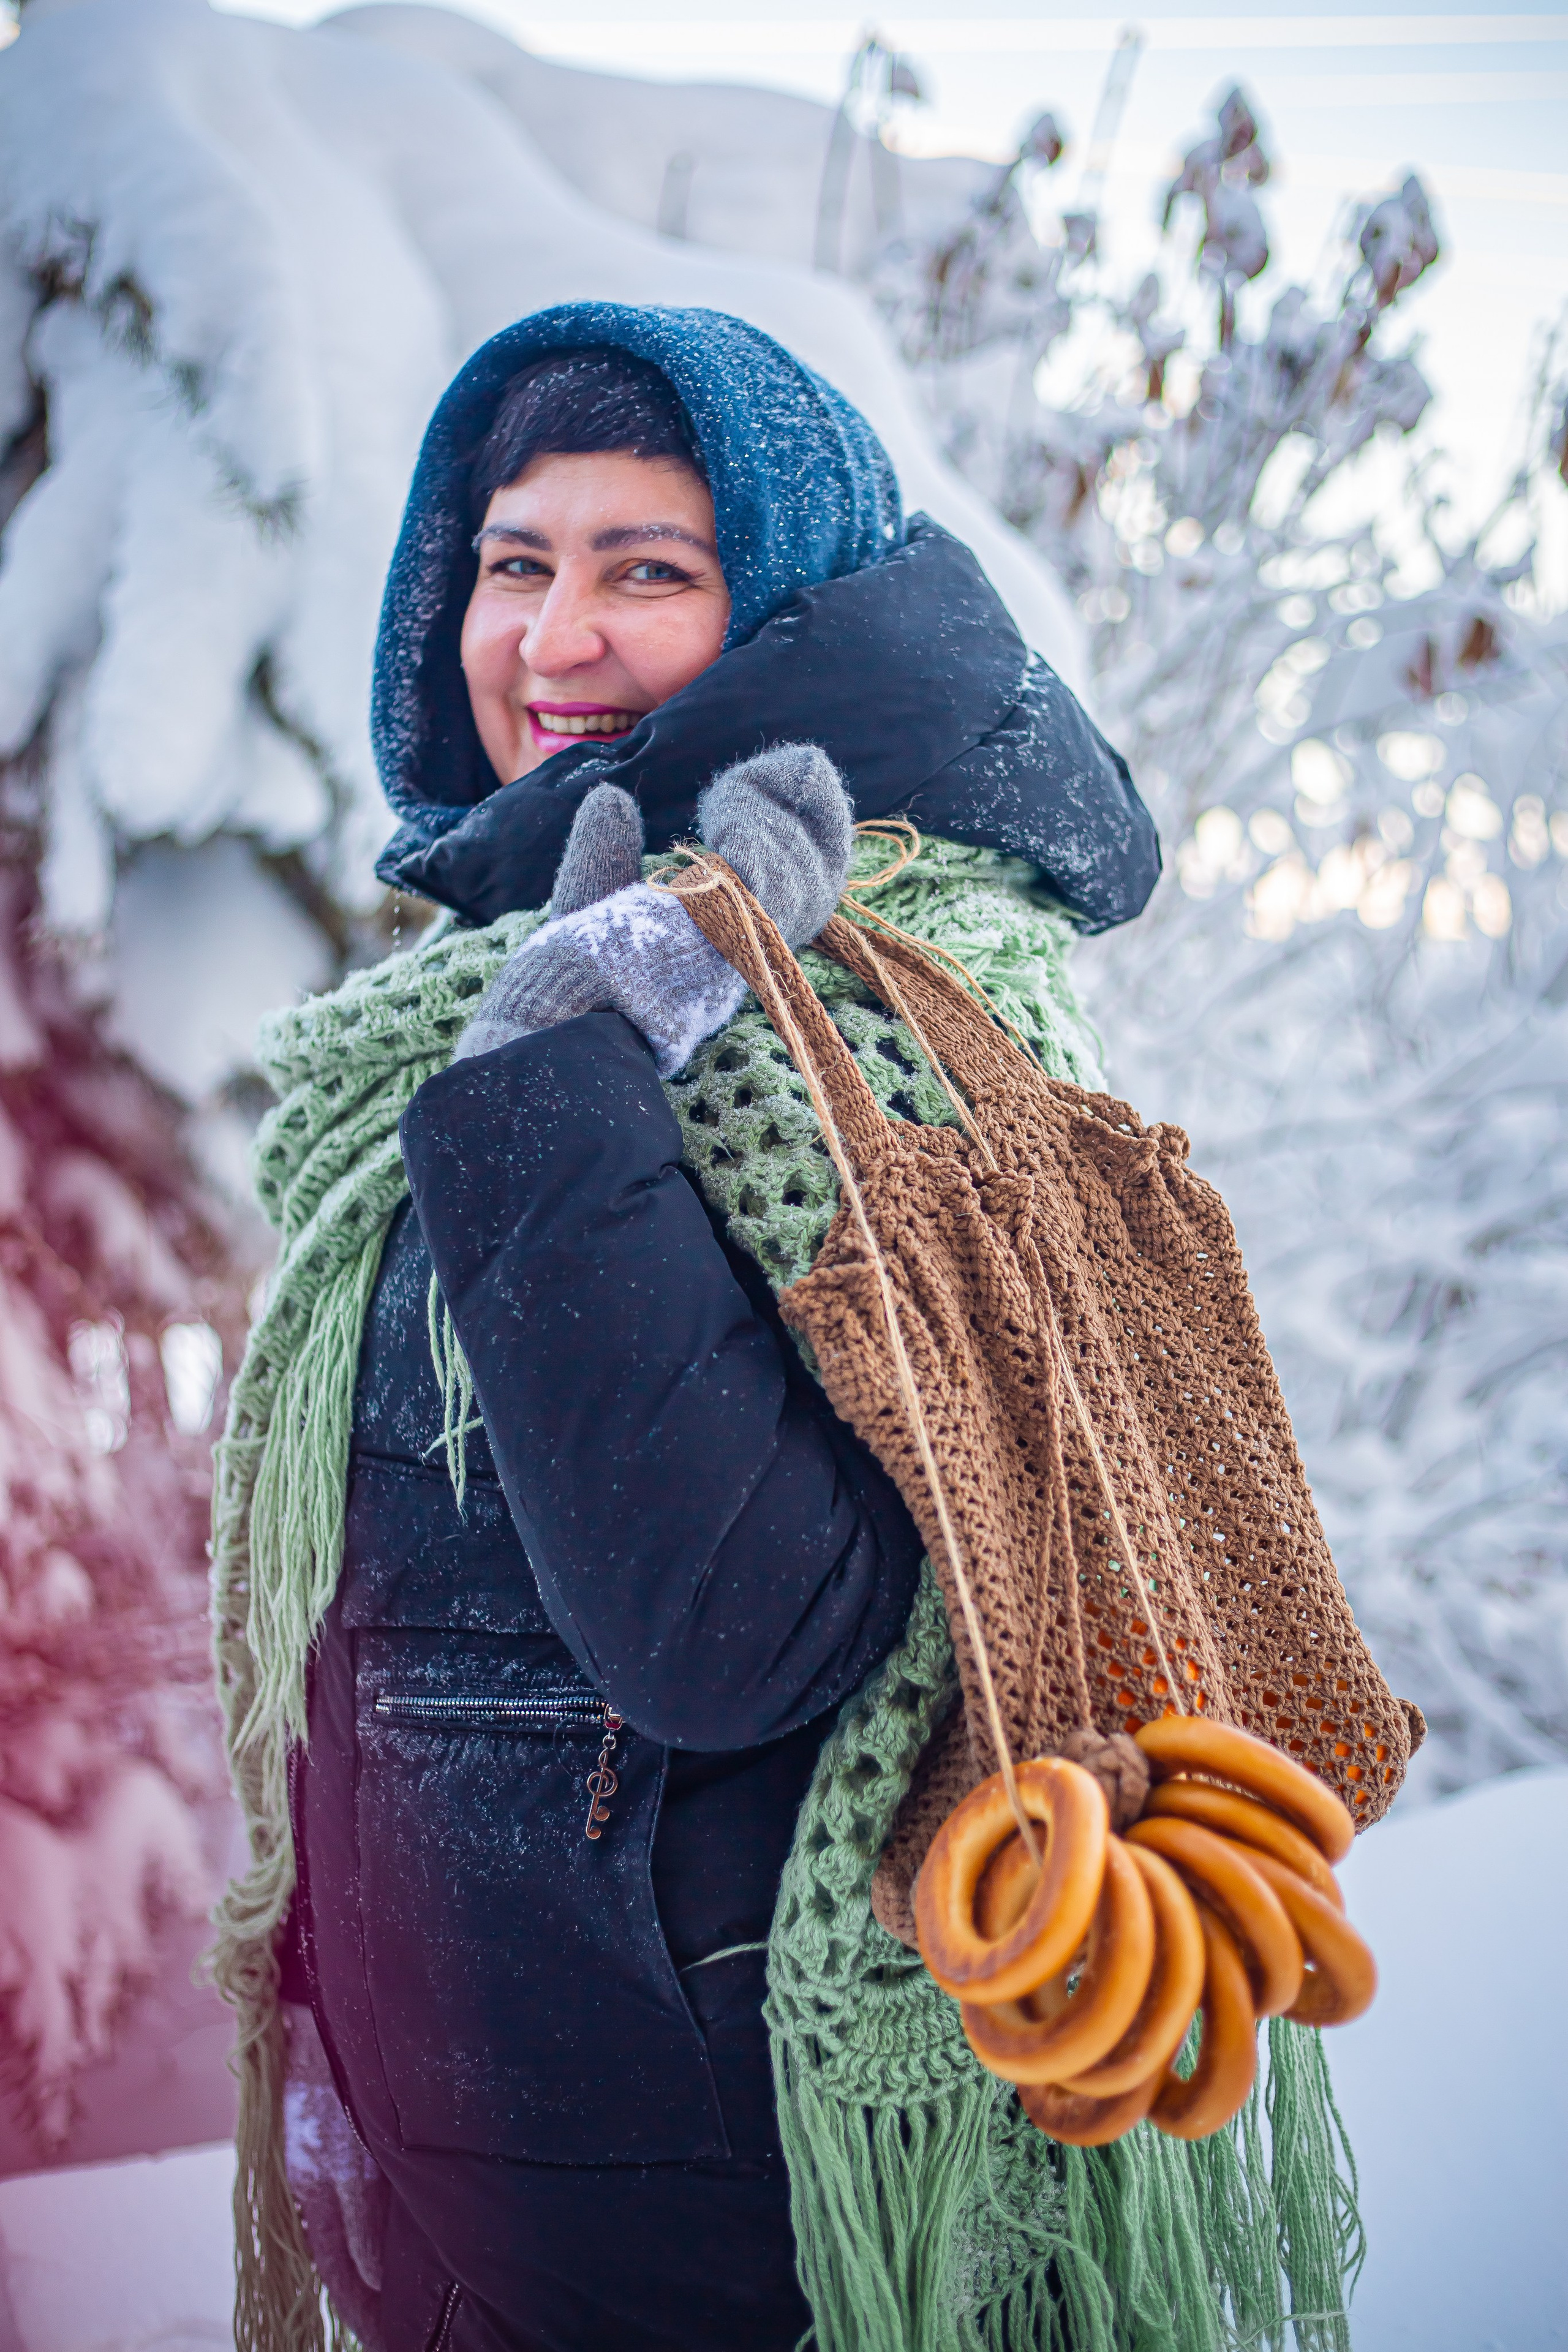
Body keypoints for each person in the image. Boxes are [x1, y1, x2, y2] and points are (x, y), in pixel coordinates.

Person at [233, 303, 1158, 2352]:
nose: (555, 641)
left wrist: (561, 1090)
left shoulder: (885, 1004)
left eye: (648, 567)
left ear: (783, 607)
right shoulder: (512, 960)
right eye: (512, 562)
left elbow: (743, 1628)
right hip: (473, 2203)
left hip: (746, 2228)